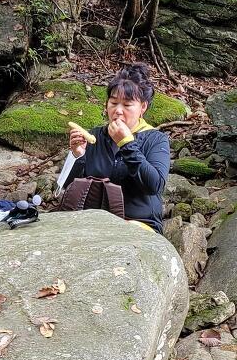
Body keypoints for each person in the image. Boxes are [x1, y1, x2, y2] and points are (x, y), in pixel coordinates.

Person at [63, 63, 171, 233]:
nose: (118, 111)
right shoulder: (95, 136)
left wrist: (126, 144)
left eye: (127, 105)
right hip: (95, 224)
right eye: (113, 103)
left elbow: (154, 185)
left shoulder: (156, 139)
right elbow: (67, 188)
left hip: (140, 224)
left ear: (143, 107)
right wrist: (78, 156)